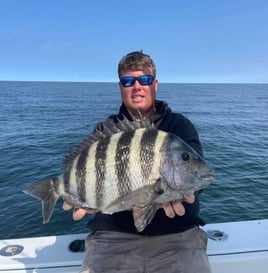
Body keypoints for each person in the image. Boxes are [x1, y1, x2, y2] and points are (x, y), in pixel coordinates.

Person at [63, 51, 212, 273]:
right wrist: (83, 197)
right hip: (112, 238)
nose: (137, 86)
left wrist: (187, 192)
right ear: (120, 86)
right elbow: (90, 178)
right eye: (128, 81)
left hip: (179, 237)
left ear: (155, 84)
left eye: (144, 80)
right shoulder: (105, 131)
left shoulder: (179, 126)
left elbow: (194, 173)